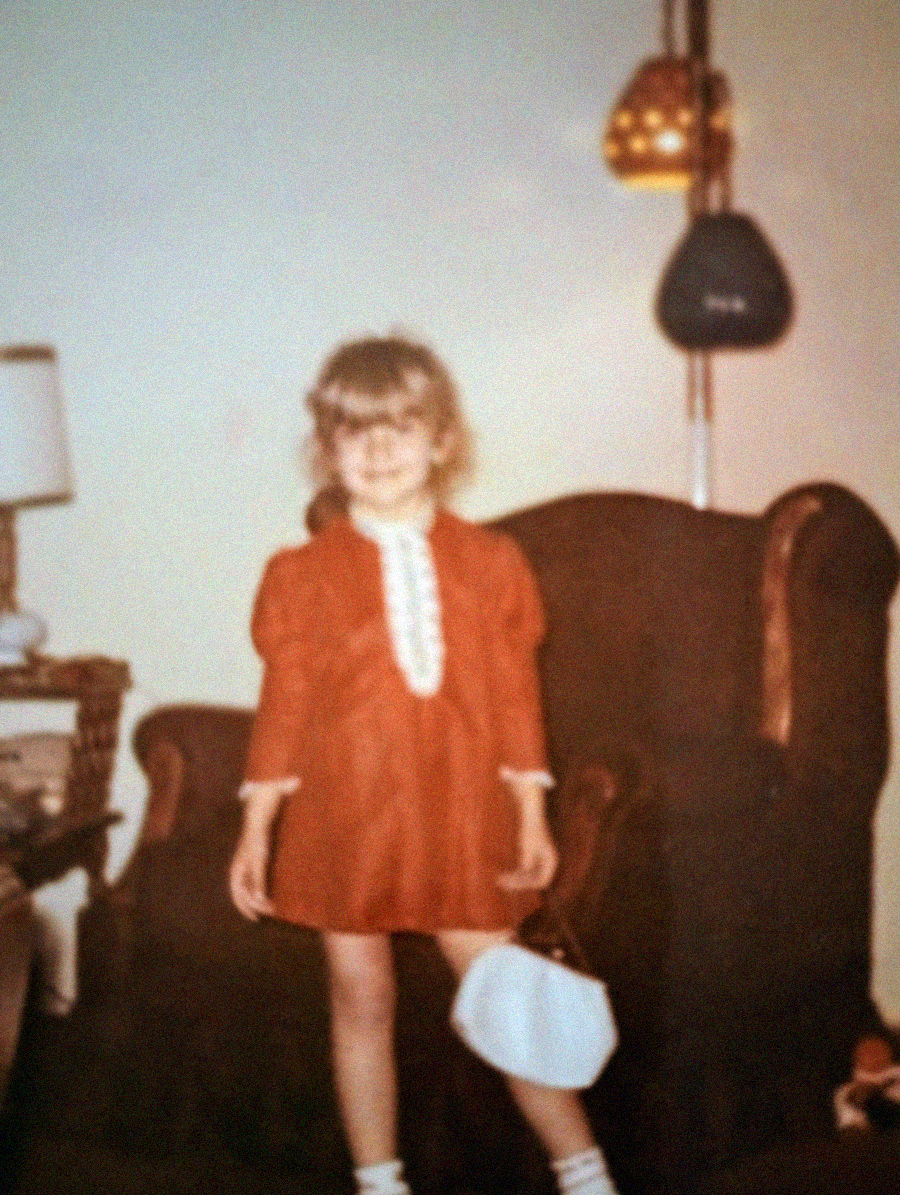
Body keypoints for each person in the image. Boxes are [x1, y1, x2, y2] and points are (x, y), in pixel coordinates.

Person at [229, 333, 617, 1195]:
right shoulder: (300, 575)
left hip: (460, 812)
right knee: (359, 996)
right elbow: (285, 704)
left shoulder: (491, 565)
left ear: (441, 440)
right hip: (347, 814)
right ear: (326, 450)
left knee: (506, 997)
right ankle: (380, 1180)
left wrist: (528, 810)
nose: (378, 449)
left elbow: (517, 698)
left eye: (400, 427)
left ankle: (584, 1172)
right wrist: (257, 826)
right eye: (354, 432)